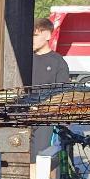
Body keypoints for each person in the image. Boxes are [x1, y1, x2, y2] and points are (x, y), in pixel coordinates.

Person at [30, 17, 71, 161]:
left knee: (39, 159)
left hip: (45, 120)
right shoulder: (24, 58)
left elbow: (63, 95)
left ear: (47, 35)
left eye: (35, 35)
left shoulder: (58, 63)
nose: (31, 39)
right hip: (22, 116)